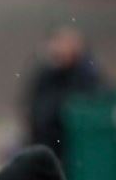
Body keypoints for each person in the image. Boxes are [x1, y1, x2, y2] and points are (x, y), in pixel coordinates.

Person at [21, 26, 102, 161]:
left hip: (68, 147)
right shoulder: (46, 73)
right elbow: (31, 103)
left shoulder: (85, 74)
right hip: (44, 141)